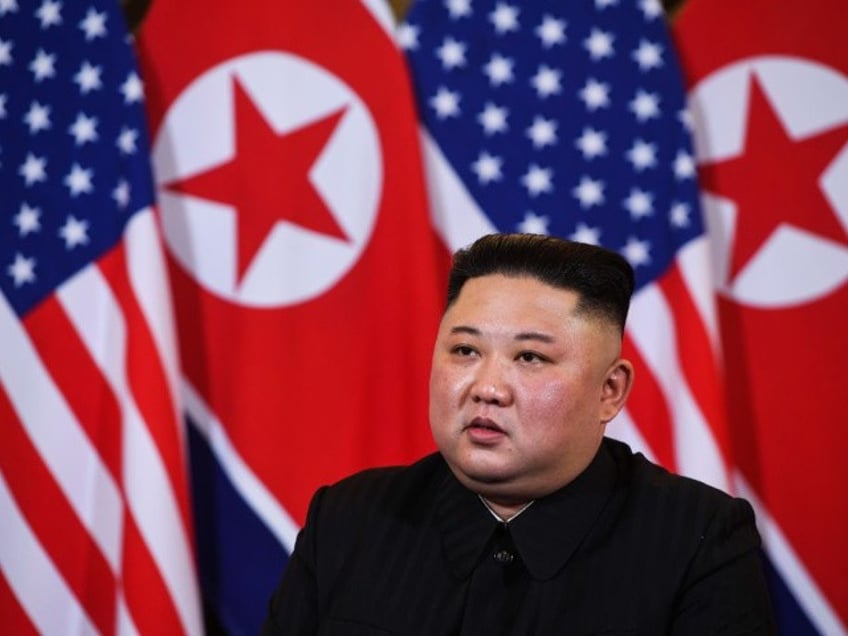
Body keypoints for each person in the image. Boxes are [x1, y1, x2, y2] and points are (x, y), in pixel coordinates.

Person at [262, 233, 776, 634]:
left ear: (610, 391)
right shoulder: (348, 519)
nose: (487, 388)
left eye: (530, 357)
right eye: (465, 350)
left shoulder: (697, 541)